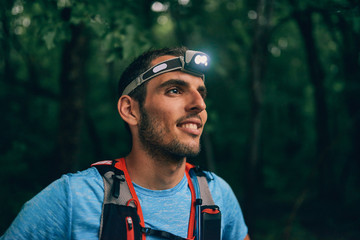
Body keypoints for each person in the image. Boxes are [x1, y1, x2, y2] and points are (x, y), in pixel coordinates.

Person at [1, 47, 249, 240]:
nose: (199, 104)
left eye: (201, 93)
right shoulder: (75, 198)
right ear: (130, 110)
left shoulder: (217, 196)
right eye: (174, 90)